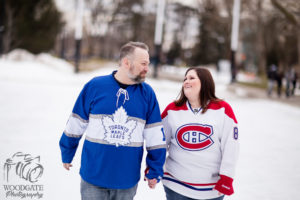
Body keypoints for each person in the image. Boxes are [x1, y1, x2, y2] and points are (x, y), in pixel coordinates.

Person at [59, 41, 166, 200]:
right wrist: (67, 151)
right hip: (93, 175)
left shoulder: (147, 94)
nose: (147, 68)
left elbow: (155, 136)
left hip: (126, 179)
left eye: (148, 64)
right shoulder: (95, 86)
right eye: (143, 63)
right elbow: (76, 122)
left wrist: (155, 168)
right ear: (126, 62)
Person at [161, 67, 239, 200]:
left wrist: (226, 178)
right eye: (185, 79)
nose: (186, 81)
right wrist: (154, 167)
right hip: (176, 186)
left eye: (192, 78)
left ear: (205, 82)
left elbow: (231, 147)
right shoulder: (172, 110)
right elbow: (159, 143)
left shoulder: (223, 110)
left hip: (212, 190)